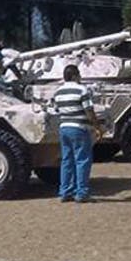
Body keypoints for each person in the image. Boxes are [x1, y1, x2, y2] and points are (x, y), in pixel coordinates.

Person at [51, 64, 100, 203]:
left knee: (67, 160)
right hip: (79, 128)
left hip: (64, 128)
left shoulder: (58, 92)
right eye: (79, 74)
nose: (80, 77)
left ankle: (65, 192)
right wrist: (97, 127)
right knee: (82, 160)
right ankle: (82, 193)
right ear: (74, 76)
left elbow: (56, 109)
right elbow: (89, 110)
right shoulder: (82, 90)